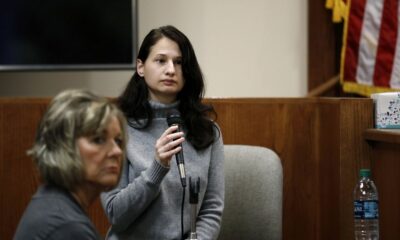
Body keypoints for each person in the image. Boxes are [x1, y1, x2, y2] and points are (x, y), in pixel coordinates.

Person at [101, 25, 225, 240]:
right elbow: (115, 214)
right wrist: (157, 168)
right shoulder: (116, 128)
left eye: (178, 62)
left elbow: (211, 208)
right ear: (141, 67)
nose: (170, 70)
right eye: (161, 60)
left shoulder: (208, 132)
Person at [14, 89, 127, 240]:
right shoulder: (66, 226)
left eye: (118, 141)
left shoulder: (51, 203)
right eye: (98, 139)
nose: (117, 151)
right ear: (63, 145)